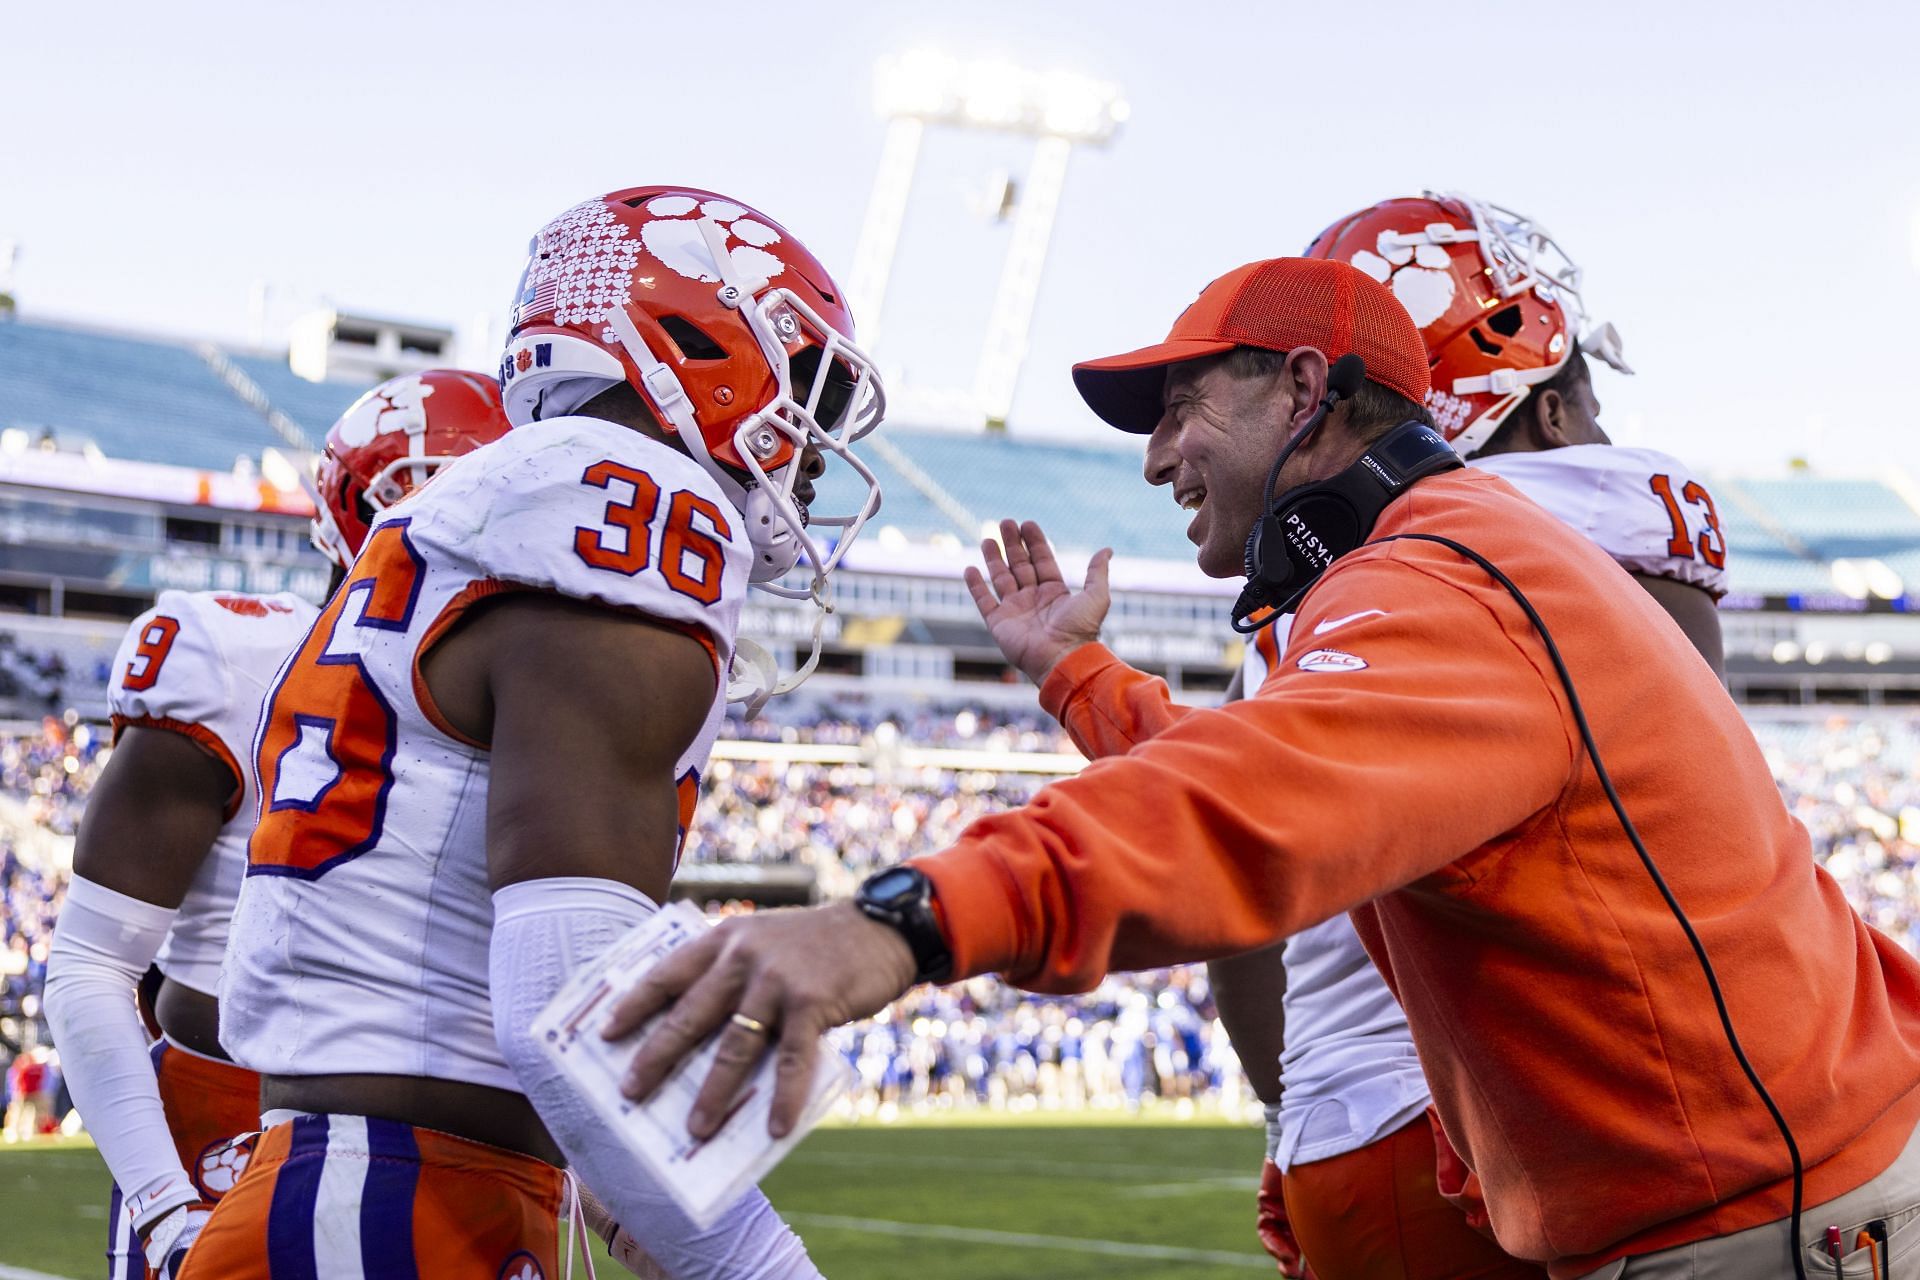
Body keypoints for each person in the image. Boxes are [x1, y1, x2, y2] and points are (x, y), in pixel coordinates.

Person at [610, 256, 1920, 1280]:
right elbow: (1266, 764)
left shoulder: (1443, 573)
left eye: (1184, 402)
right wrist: (1076, 676)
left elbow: (1248, 808)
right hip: (1741, 1198)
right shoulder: (1431, 560)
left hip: (1756, 1218)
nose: (1156, 454)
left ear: (1305, 388)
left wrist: (903, 921)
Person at [185, 186, 886, 1280]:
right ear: (698, 337)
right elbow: (562, 978)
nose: (806, 442)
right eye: (805, 384)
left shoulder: (496, 500)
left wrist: (622, 1204)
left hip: (383, 1181)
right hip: (394, 1201)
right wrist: (757, 1262)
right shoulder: (624, 496)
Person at [1213, 191, 1730, 1279]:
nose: (1598, 436)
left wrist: (1302, 1104)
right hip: (1495, 1120)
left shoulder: (1310, 585)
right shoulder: (1578, 511)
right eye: (1582, 405)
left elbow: (1241, 921)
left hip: (1345, 1128)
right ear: (1543, 407)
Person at [42, 368, 509, 1279]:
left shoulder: (533, 688)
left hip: (457, 1143)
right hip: (226, 1122)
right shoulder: (234, 654)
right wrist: (165, 1207)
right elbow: (95, 963)